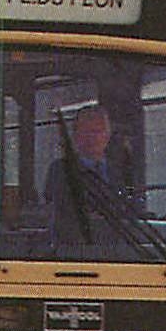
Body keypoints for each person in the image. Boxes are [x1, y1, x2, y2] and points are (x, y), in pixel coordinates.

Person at [44, 105, 116, 245]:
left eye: (97, 131)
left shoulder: (119, 172)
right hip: (75, 249)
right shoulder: (60, 170)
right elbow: (60, 214)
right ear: (75, 136)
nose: (92, 138)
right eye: (86, 132)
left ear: (107, 135)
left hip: (120, 250)